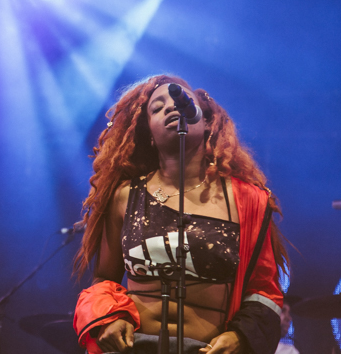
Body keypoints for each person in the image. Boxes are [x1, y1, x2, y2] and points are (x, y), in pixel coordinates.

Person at [72, 75, 289, 354]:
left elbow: (264, 289)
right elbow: (104, 279)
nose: (170, 107)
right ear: (149, 134)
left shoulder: (247, 200)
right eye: (157, 108)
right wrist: (110, 318)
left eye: (182, 101)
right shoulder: (125, 196)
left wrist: (241, 337)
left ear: (207, 122)